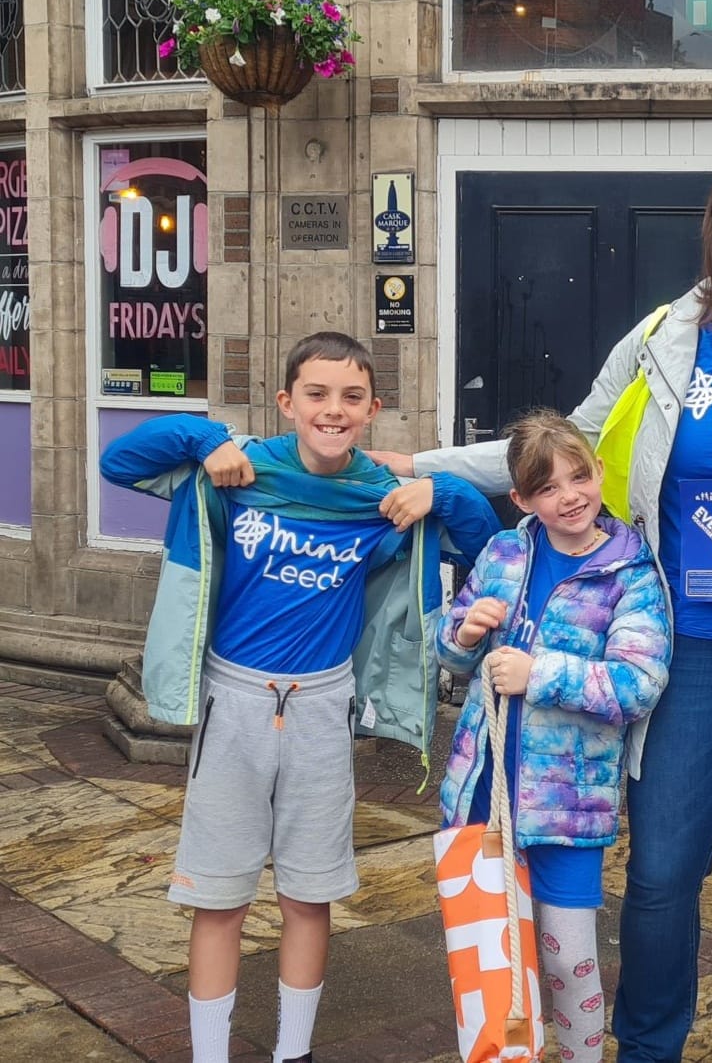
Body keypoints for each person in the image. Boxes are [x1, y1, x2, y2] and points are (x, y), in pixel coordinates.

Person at [376, 146, 712, 1063]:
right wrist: (425, 466)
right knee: (664, 871)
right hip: (682, 647)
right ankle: (649, 1046)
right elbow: (568, 443)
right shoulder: (665, 333)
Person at [99, 331, 499, 1063]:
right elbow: (118, 461)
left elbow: (487, 543)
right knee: (218, 895)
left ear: (373, 408)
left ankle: (295, 1051)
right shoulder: (243, 469)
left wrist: (441, 488)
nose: (333, 409)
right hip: (234, 702)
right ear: (287, 401)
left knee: (308, 894)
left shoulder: (379, 498)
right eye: (316, 393)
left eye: (351, 397)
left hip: (322, 705)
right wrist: (203, 438)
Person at [436, 409, 670, 1063]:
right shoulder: (506, 552)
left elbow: (637, 682)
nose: (568, 496)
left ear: (598, 471)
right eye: (547, 487)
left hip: (569, 804)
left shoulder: (630, 572)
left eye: (578, 476)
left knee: (567, 961)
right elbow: (448, 654)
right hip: (485, 794)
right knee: (490, 965)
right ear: (522, 499)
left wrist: (540, 673)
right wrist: (463, 631)